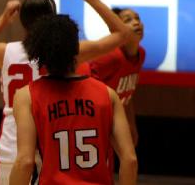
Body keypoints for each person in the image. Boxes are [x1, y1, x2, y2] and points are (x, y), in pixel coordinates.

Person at [0, 0, 133, 185]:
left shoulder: (3, 51)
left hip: (11, 143)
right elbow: (123, 34)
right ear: (53, 18)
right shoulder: (70, 51)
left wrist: (1, 21)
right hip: (49, 140)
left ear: (23, 20)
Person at [10, 14, 137, 185]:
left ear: (38, 52)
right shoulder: (108, 94)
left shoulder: (26, 96)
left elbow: (25, 162)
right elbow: (130, 160)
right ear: (76, 49)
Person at [90, 7, 145, 145]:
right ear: (116, 29)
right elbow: (83, 87)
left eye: (137, 18)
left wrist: (131, 125)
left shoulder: (141, 54)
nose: (136, 23)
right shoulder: (110, 57)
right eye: (128, 20)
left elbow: (127, 97)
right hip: (93, 121)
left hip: (113, 121)